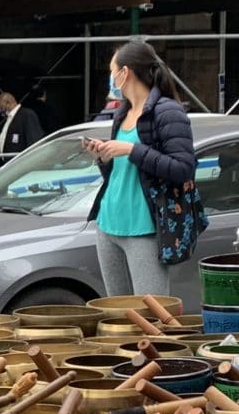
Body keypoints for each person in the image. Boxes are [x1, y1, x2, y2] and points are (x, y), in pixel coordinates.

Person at [83, 40, 197, 298]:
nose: (111, 78)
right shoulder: (122, 112)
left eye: (112, 71)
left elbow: (183, 168)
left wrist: (132, 150)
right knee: (118, 315)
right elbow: (120, 174)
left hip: (143, 227)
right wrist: (104, 156)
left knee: (152, 313)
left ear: (126, 73)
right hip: (108, 223)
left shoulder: (168, 111)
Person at [0, 90, 45, 157]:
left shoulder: (27, 115)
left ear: (8, 103)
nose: (1, 111)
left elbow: (33, 140)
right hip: (11, 161)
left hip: (22, 162)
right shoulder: (10, 118)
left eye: (1, 107)